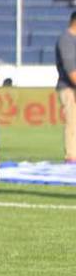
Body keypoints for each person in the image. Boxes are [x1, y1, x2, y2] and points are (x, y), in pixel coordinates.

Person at [57, 11, 76, 163]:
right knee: (72, 121)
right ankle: (71, 156)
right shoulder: (67, 40)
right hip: (69, 88)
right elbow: (71, 70)